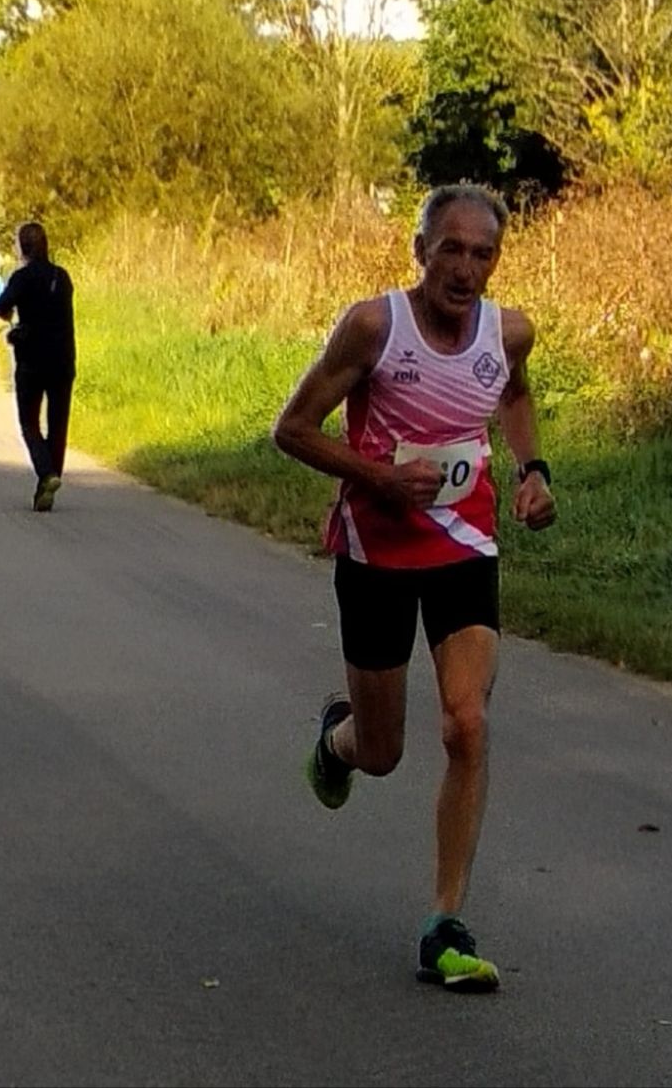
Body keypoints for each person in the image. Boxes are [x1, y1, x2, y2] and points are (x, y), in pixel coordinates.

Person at [273, 183, 556, 993]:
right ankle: (337, 741)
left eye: (482, 253)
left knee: (467, 722)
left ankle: (445, 923)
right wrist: (380, 478)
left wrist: (533, 469)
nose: (465, 268)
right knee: (383, 751)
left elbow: (513, 391)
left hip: (465, 543)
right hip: (377, 550)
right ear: (420, 250)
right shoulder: (374, 326)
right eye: (450, 250)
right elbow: (292, 429)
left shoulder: (509, 332)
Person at [0, 221, 75, 512]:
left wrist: (13, 321)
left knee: (29, 422)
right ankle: (48, 482)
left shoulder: (23, 277)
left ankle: (47, 473)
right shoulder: (62, 277)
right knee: (58, 424)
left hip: (31, 360)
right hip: (63, 359)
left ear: (23, 248)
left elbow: (1, 307)